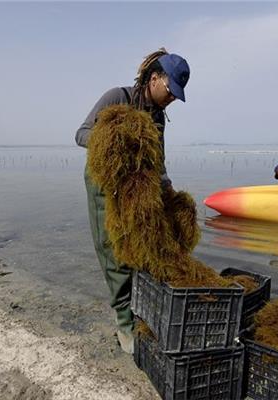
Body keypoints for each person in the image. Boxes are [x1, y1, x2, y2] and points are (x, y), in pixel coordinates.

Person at [75, 49, 190, 354]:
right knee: (113, 250)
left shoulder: (157, 117)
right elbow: (81, 134)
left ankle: (141, 312)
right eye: (170, 92)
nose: (172, 99)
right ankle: (124, 323)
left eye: (177, 96)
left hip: (138, 188)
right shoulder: (118, 97)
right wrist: (116, 142)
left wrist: (168, 189)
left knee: (141, 247)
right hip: (105, 183)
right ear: (155, 79)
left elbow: (159, 160)